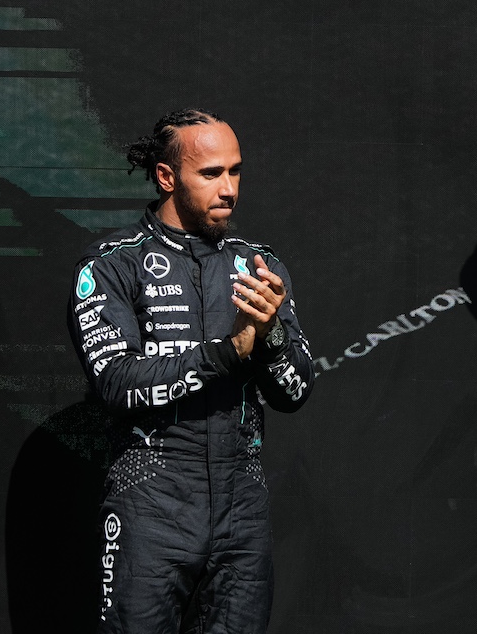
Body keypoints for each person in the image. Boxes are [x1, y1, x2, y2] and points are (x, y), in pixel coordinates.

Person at [67, 109, 314, 633]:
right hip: (149, 506)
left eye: (236, 171)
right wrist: (229, 352)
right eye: (211, 174)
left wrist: (267, 336)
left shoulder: (260, 266)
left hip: (240, 511)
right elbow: (115, 382)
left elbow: (295, 392)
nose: (229, 188)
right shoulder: (113, 263)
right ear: (166, 177)